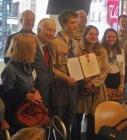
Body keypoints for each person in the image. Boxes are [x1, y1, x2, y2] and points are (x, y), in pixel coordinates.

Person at [1, 33, 42, 135]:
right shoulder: (10, 70)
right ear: (25, 50)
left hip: (27, 114)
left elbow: (28, 85)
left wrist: (34, 91)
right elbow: (6, 95)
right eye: (34, 49)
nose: (35, 52)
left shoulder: (26, 65)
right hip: (17, 119)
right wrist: (25, 96)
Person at [76, 25, 110, 140]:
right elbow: (73, 67)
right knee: (77, 117)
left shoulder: (102, 50)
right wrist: (84, 82)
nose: (93, 36)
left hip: (97, 89)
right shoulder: (77, 49)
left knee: (93, 119)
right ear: (85, 35)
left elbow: (105, 70)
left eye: (96, 34)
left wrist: (93, 82)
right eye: (91, 34)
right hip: (81, 88)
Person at [51, 9, 81, 140]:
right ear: (63, 24)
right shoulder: (55, 42)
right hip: (60, 87)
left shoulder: (75, 43)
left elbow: (77, 62)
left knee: (70, 117)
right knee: (59, 120)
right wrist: (66, 78)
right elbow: (51, 69)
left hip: (73, 86)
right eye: (72, 22)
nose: (76, 25)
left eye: (76, 22)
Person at [33, 18, 56, 115]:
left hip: (48, 95)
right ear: (38, 30)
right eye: (48, 30)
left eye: (54, 30)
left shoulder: (48, 45)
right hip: (34, 97)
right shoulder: (30, 45)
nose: (52, 33)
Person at [102, 28, 125, 101]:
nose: (111, 39)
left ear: (116, 38)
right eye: (109, 37)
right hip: (104, 78)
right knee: (103, 100)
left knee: (114, 101)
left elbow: (122, 69)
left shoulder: (120, 51)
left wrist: (121, 85)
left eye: (113, 37)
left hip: (116, 78)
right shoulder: (101, 50)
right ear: (105, 37)